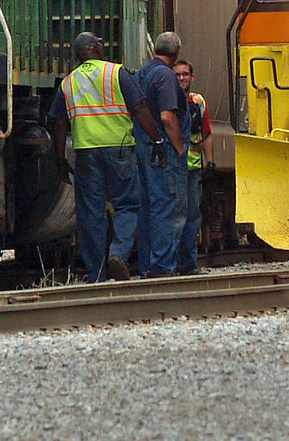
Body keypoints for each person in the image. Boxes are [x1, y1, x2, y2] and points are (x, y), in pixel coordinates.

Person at [45, 32, 140, 282]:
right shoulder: (116, 73)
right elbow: (139, 108)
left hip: (86, 153)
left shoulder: (68, 83)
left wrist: (59, 159)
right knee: (127, 204)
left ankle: (96, 273)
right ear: (95, 48)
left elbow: (59, 123)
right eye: (101, 43)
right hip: (119, 150)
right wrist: (158, 140)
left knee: (90, 214)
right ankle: (118, 252)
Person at [129, 30, 187, 277]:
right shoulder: (164, 75)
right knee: (167, 205)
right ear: (176, 54)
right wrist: (179, 147)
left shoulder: (141, 74)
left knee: (147, 208)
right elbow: (167, 116)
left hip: (142, 147)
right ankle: (163, 266)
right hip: (162, 150)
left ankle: (147, 266)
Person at [174, 58, 209, 274]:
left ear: (192, 77)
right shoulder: (167, 99)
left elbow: (206, 132)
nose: (181, 78)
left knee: (192, 216)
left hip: (193, 167)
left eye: (185, 74)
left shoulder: (198, 102)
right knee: (175, 216)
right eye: (177, 75)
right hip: (174, 167)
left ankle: (188, 263)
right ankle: (172, 262)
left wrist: (210, 161)